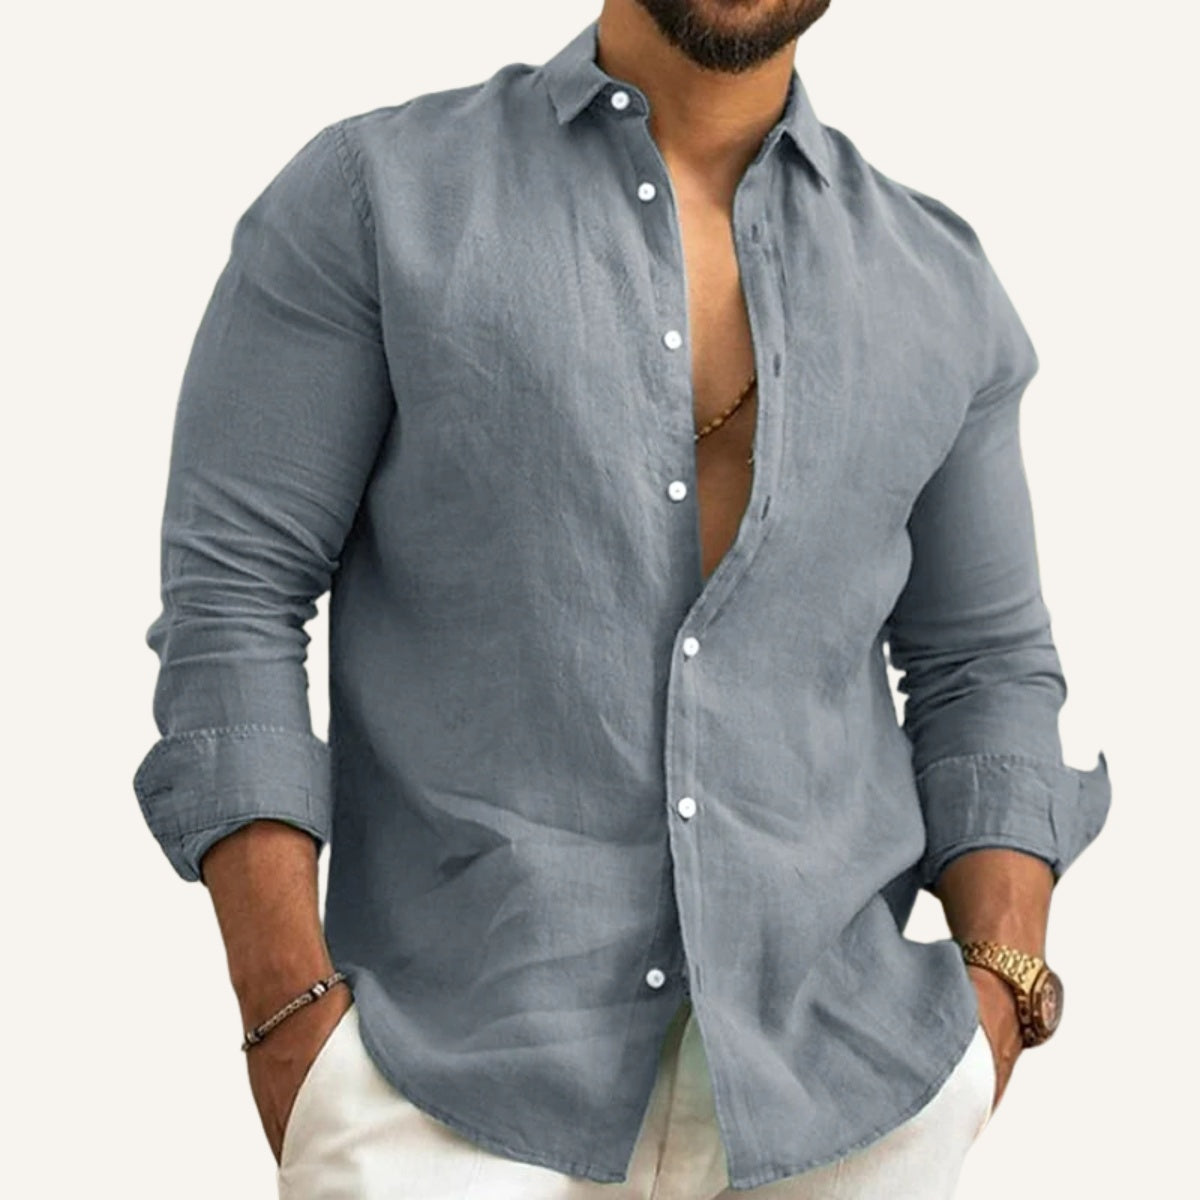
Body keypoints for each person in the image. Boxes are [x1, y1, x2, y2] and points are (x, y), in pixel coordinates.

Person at [131, 2, 1113, 1197]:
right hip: (442, 1091)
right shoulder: (376, 200)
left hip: (849, 1101)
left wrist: (1000, 993)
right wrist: (289, 1016)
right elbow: (235, 596)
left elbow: (986, 668)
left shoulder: (938, 284)